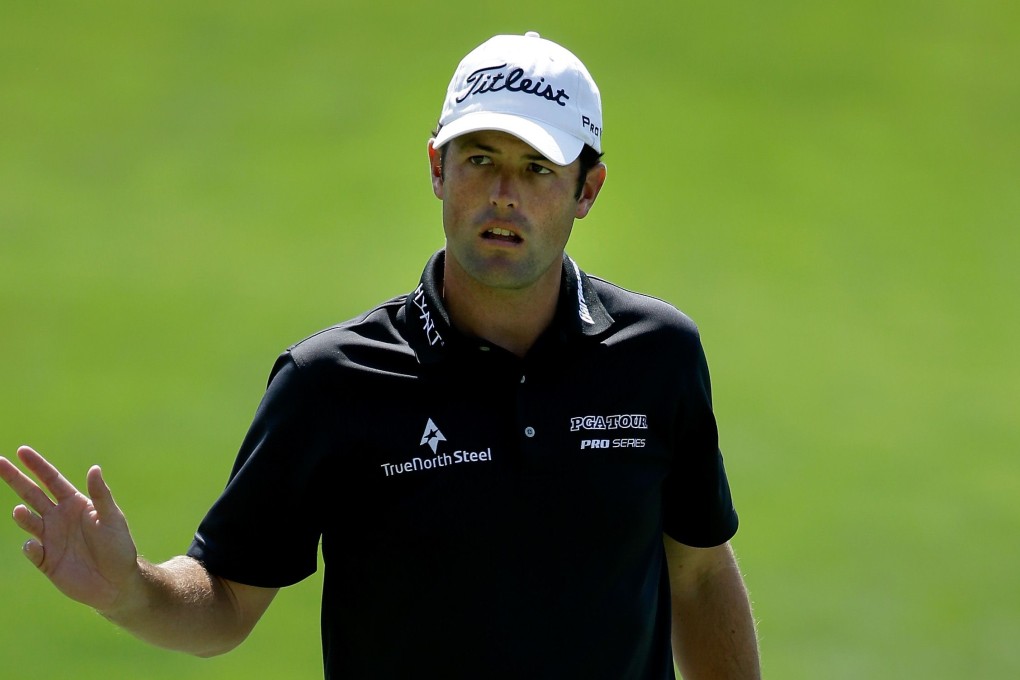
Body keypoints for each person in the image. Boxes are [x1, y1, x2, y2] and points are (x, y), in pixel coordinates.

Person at [0, 31, 760, 679]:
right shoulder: (330, 383)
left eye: (537, 169)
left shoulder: (657, 356)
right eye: (479, 159)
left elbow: (698, 572)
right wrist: (131, 590)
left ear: (587, 189)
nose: (503, 193)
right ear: (437, 168)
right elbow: (226, 599)